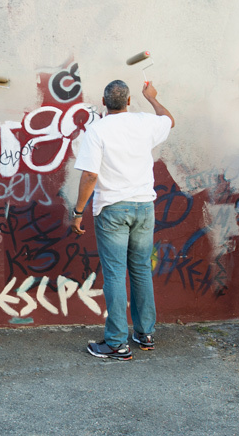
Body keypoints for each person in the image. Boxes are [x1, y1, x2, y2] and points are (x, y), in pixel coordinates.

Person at [71, 80, 174, 360]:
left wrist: (78, 211)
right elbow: (169, 120)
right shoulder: (145, 122)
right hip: (144, 206)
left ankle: (117, 342)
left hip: (113, 209)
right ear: (129, 101)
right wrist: (152, 97)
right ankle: (145, 333)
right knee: (141, 270)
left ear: (104, 102)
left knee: (115, 274)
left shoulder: (97, 130)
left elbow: (90, 175)